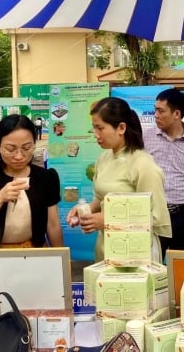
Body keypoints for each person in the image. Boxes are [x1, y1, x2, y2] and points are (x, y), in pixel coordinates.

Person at [66, 97, 171, 262]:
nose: (96, 134)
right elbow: (101, 200)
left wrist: (108, 221)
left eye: (100, 128)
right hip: (106, 248)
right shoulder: (103, 158)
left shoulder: (143, 164)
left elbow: (156, 217)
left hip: (136, 253)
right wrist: (85, 209)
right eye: (94, 128)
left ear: (121, 128)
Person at [0, 114, 63, 247]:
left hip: (35, 254)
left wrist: (62, 261)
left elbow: (53, 225)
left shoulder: (46, 178)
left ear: (34, 144)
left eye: (26, 148)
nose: (19, 156)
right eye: (10, 149)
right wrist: (0, 197)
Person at [143, 88, 184, 258]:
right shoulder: (145, 138)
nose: (156, 115)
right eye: (155, 110)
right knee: (151, 262)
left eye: (161, 111)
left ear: (177, 114)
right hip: (153, 212)